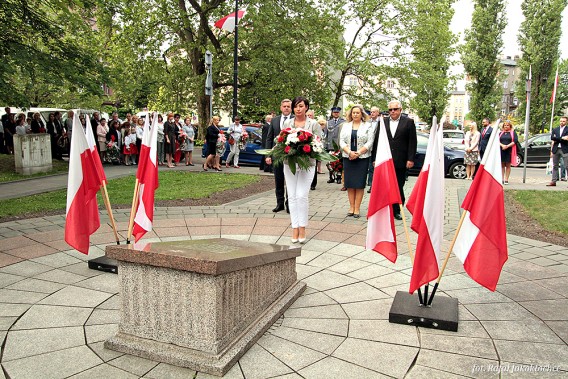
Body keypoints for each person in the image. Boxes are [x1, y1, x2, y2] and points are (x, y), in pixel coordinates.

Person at [370, 100, 417, 220]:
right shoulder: (383, 122)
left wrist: (410, 159)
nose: (392, 112)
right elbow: (377, 140)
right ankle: (387, 208)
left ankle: (397, 209)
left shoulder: (408, 122)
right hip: (385, 160)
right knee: (385, 186)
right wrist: (375, 158)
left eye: (395, 109)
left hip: (401, 160)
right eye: (390, 109)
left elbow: (412, 142)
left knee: (398, 186)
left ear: (400, 110)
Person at [282, 96, 318, 243]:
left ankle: (302, 227)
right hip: (289, 163)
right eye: (296, 106)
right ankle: (294, 228)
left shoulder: (313, 124)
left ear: (306, 107)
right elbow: (282, 141)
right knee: (291, 195)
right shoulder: (287, 122)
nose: (298, 109)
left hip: (307, 164)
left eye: (301, 106)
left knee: (301, 195)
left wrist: (306, 149)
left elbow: (318, 144)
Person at [339, 105, 375, 218]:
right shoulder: (345, 126)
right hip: (348, 157)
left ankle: (357, 208)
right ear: (351, 114)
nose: (355, 114)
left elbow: (370, 142)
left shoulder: (368, 126)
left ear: (362, 114)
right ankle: (351, 206)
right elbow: (341, 141)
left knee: (359, 184)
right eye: (353, 113)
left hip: (362, 158)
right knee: (350, 184)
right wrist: (349, 152)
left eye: (357, 113)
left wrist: (358, 153)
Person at [266, 99, 293, 213]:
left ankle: (289, 204)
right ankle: (279, 203)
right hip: (277, 154)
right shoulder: (275, 120)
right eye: (284, 106)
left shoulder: (294, 120)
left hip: (290, 155)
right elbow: (269, 138)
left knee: (290, 180)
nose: (286, 108)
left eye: (288, 106)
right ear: (281, 107)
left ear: (291, 108)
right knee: (278, 179)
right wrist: (268, 155)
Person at [547, 116, 568, 187]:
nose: (562, 122)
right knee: (555, 166)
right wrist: (562, 138)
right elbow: (552, 138)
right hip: (556, 149)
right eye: (561, 121)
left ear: (566, 122)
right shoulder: (556, 129)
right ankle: (553, 181)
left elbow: (567, 139)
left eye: (563, 121)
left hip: (564, 149)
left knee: (566, 166)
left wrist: (557, 138)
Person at [366, 106, 381, 192]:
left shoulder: (381, 122)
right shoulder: (367, 122)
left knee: (376, 167)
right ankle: (371, 185)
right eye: (371, 112)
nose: (372, 113)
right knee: (370, 167)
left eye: (374, 112)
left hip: (378, 147)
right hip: (369, 147)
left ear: (378, 113)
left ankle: (375, 186)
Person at [499, 120, 518, 185]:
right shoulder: (500, 133)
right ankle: (501, 178)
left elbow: (515, 141)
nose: (506, 126)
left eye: (507, 125)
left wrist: (507, 146)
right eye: (505, 125)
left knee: (508, 165)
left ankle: (506, 179)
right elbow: (497, 140)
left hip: (509, 150)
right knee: (502, 165)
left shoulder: (513, 133)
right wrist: (502, 145)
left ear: (510, 126)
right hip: (501, 150)